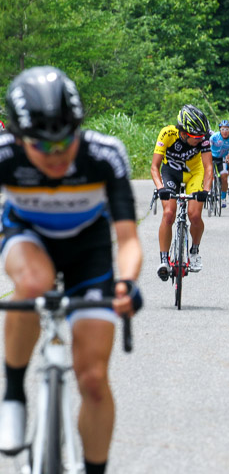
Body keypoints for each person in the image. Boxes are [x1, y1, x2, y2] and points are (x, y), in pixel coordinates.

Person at [0, 66, 143, 474]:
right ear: (17, 137)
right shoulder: (4, 155)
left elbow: (129, 240)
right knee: (34, 282)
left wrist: (127, 282)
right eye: (43, 146)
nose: (57, 154)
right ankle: (13, 392)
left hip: (89, 251)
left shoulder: (103, 154)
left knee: (94, 380)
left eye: (66, 140)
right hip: (27, 236)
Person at [151, 104, 212, 277]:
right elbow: (154, 167)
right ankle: (164, 260)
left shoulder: (204, 138)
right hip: (170, 172)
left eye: (202, 136)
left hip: (194, 173)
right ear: (184, 133)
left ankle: (194, 251)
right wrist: (160, 188)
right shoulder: (167, 134)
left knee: (194, 215)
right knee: (169, 213)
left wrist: (205, 191)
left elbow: (208, 169)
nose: (200, 139)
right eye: (196, 137)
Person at [209, 120, 229, 208]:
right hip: (211, 156)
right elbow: (207, 149)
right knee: (209, 174)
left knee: (224, 177)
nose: (224, 131)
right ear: (220, 130)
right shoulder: (214, 137)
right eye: (222, 129)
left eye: (227, 129)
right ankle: (209, 190)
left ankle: (223, 198)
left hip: (222, 158)